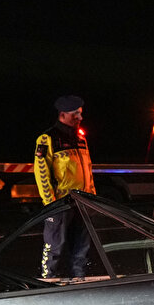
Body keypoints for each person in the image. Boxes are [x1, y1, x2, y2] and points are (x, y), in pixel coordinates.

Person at [35, 95, 96, 278]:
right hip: (61, 204)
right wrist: (51, 203)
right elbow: (42, 173)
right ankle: (48, 280)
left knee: (82, 248)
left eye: (80, 113)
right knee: (54, 246)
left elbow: (88, 171)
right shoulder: (47, 139)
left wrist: (91, 198)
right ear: (62, 114)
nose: (80, 117)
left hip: (82, 203)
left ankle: (80, 279)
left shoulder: (81, 139)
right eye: (75, 113)